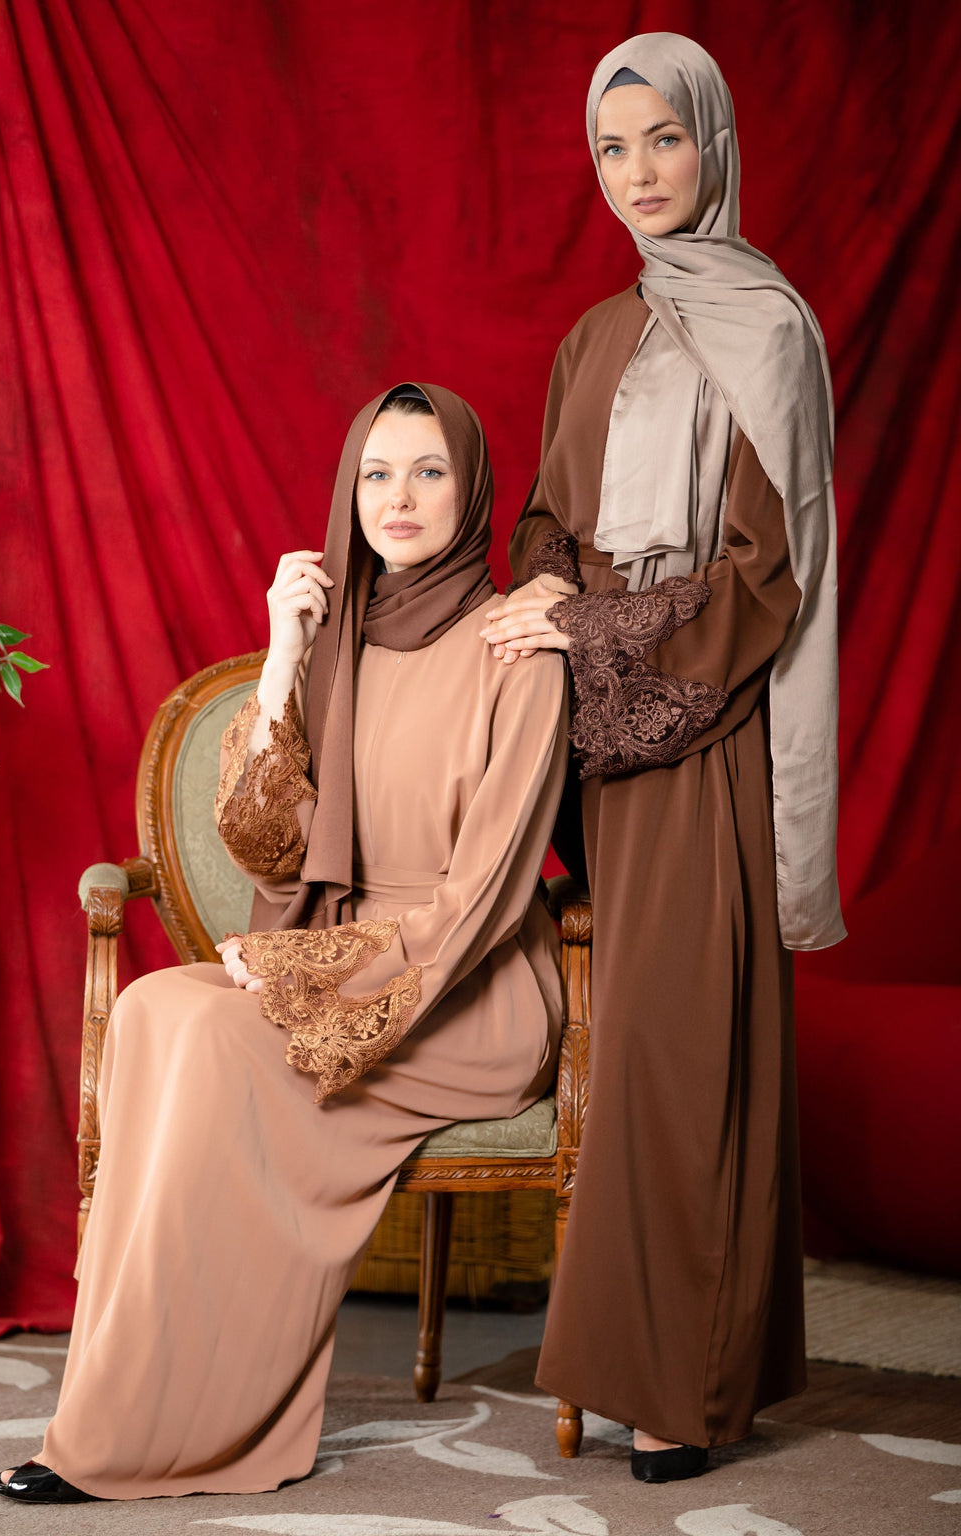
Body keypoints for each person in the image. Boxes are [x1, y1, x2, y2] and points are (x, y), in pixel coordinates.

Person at [0, 383, 568, 1503]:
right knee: (159, 1009)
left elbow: (492, 893)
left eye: (429, 471)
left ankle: (174, 1432)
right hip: (348, 953)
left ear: (473, 486)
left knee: (212, 1040)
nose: (397, 498)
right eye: (374, 474)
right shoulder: (337, 641)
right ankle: (119, 1404)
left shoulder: (517, 647)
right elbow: (269, 855)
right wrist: (279, 653)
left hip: (469, 988)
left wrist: (320, 974)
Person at [480, 34, 845, 1484]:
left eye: (662, 143)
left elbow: (770, 573)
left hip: (706, 721)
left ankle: (685, 1386)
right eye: (611, 151)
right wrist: (544, 592)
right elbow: (549, 523)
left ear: (714, 145)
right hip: (600, 725)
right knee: (633, 1047)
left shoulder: (768, 327)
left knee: (680, 1054)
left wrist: (596, 625)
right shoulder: (595, 334)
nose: (636, 176)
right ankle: (669, 1359)